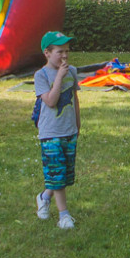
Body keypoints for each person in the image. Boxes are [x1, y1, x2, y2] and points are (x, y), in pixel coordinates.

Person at [33, 30, 80, 229]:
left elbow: (75, 98)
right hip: (50, 132)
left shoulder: (73, 71)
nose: (65, 56)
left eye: (67, 51)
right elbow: (51, 101)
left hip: (69, 130)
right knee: (58, 175)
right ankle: (64, 216)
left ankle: (44, 197)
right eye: (60, 52)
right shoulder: (41, 75)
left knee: (64, 175)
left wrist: (78, 123)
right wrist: (59, 76)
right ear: (47, 53)